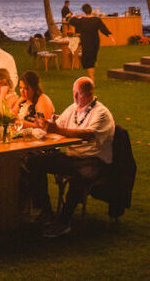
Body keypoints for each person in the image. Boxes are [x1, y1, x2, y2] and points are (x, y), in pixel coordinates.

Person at [28, 76, 115, 237]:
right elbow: (57, 125)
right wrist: (44, 126)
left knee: (80, 176)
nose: (75, 98)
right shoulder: (73, 108)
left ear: (89, 93)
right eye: (75, 94)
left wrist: (55, 129)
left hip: (94, 160)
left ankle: (64, 221)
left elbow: (87, 135)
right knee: (35, 161)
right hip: (73, 157)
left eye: (78, 94)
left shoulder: (101, 113)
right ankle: (45, 211)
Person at [69, 4, 116, 83]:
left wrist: (77, 16)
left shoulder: (81, 20)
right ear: (91, 10)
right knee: (91, 59)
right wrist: (111, 38)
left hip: (86, 42)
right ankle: (91, 77)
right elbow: (104, 29)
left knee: (88, 60)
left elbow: (70, 21)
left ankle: (92, 79)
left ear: (84, 11)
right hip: (95, 42)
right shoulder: (96, 20)